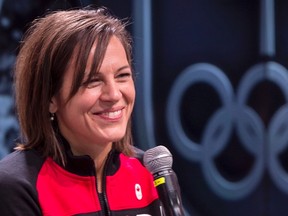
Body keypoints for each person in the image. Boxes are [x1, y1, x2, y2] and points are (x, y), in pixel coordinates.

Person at [0, 7, 164, 215]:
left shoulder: (151, 174)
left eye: (122, 75)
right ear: (50, 97)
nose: (113, 94)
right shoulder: (16, 185)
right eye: (93, 81)